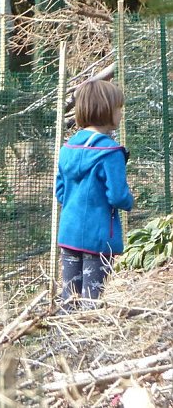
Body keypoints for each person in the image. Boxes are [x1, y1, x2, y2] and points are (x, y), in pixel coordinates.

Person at [56, 79, 133, 308]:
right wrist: (130, 201)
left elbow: (60, 191)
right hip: (98, 239)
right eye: (119, 108)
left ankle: (58, 341)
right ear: (106, 109)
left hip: (68, 233)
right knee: (92, 300)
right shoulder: (111, 152)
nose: (121, 113)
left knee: (69, 297)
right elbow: (118, 195)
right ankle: (86, 342)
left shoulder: (67, 148)